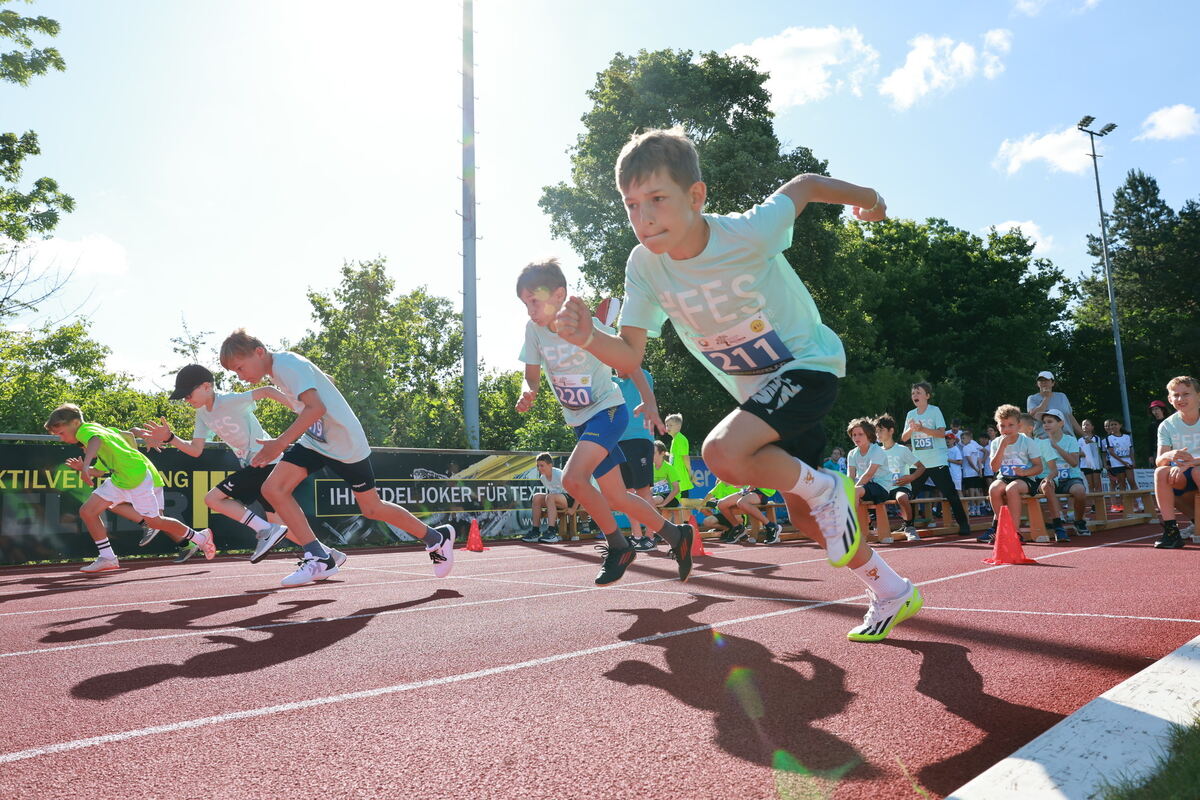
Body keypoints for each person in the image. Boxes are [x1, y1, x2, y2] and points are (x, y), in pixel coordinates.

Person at [552, 127, 921, 642]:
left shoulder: (747, 232)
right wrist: (591, 334)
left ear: (696, 196)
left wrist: (871, 201)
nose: (645, 217)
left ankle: (828, 487)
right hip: (761, 399)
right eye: (632, 205)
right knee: (806, 514)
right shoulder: (645, 266)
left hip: (809, 366)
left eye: (657, 199)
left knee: (722, 452)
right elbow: (630, 353)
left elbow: (806, 184)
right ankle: (891, 589)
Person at [219, 329, 455, 587]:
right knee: (273, 489)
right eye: (235, 373)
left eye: (240, 368)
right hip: (316, 442)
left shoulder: (286, 365)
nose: (241, 377)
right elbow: (315, 392)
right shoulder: (279, 370)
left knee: (372, 508)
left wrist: (279, 443)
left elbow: (316, 407)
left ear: (259, 352)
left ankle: (436, 537)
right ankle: (319, 557)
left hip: (345, 445)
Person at [515, 258, 690, 585]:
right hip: (580, 421)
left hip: (608, 411)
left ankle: (619, 546)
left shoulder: (586, 325)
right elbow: (531, 377)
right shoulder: (534, 331)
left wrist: (650, 403)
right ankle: (677, 535)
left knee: (572, 480)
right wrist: (528, 392)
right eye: (525, 303)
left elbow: (629, 360)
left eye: (534, 301)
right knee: (617, 498)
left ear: (558, 295)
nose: (530, 310)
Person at [134, 364, 345, 567]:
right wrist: (171, 437)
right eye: (184, 397)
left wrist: (301, 408)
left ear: (207, 386)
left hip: (266, 460)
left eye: (189, 394)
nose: (187, 399)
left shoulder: (229, 401)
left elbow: (267, 390)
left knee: (213, 498)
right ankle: (328, 554)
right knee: (282, 525)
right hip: (257, 464)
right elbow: (196, 449)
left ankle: (265, 531)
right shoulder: (202, 414)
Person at [44, 404, 216, 572]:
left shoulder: (84, 431)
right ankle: (107, 558)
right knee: (87, 511)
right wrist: (138, 437)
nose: (61, 438)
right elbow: (126, 434)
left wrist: (85, 466)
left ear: (74, 423)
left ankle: (200, 538)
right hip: (120, 478)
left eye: (61, 433)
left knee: (155, 522)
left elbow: (95, 440)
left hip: (137, 477)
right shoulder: (98, 428)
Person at [903, 382, 972, 536]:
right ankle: (908, 525)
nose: (915, 395)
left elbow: (942, 433)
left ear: (927, 396)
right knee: (909, 495)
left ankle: (963, 524)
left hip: (937, 460)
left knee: (950, 493)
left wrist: (923, 429)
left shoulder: (935, 411)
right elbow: (904, 437)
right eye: (913, 393)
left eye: (918, 392)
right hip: (919, 462)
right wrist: (911, 429)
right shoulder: (910, 414)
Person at [977, 404, 1044, 544]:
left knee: (1011, 488)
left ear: (1019, 425)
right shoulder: (996, 442)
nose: (1006, 429)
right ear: (997, 427)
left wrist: (1025, 472)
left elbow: (1039, 467)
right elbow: (994, 468)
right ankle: (1003, 528)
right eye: (1002, 426)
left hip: (1025, 479)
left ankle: (1015, 531)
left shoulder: (1027, 441)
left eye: (1010, 425)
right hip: (1004, 477)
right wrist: (1002, 446)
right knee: (994, 489)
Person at [1152, 376, 1200, 549]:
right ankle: (1172, 532)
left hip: (1195, 468)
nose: (1181, 399)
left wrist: (1192, 462)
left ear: (1198, 396)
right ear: (1170, 399)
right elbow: (1159, 461)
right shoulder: (1166, 425)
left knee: (1197, 472)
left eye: (1186, 394)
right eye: (1176, 395)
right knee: (1162, 473)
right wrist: (1170, 454)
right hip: (1183, 471)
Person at [615, 368, 661, 550]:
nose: (616, 368)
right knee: (626, 493)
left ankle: (651, 536)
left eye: (618, 363)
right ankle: (636, 536)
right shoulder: (612, 382)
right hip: (618, 441)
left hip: (640, 439)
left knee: (643, 491)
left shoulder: (642, 375)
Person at [1037, 409, 1090, 541]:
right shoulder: (1040, 442)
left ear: (1061, 423)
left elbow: (1073, 463)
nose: (1046, 425)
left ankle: (1078, 521)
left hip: (1070, 478)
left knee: (1080, 491)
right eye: (1044, 422)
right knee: (1040, 488)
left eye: (1050, 421)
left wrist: (1056, 447)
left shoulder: (1070, 440)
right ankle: (1052, 522)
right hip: (1051, 478)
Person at [873, 414, 924, 541]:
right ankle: (869, 528)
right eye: (876, 431)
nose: (878, 434)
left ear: (891, 431)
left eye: (881, 430)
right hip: (882, 487)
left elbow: (921, 467)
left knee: (902, 497)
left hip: (900, 487)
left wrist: (910, 478)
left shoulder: (902, 450)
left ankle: (909, 527)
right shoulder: (875, 451)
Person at [525, 453, 570, 543]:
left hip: (569, 499)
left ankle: (552, 532)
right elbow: (553, 493)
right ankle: (535, 531)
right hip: (555, 499)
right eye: (538, 466)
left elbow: (576, 491)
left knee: (550, 497)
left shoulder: (560, 474)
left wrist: (573, 508)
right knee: (536, 497)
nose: (539, 468)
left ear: (550, 465)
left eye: (542, 465)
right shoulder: (543, 477)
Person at [1026, 370, 1083, 438]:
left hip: (1067, 438)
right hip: (1045, 440)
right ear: (1037, 384)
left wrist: (1085, 436)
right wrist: (1046, 398)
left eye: (1047, 380)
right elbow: (1034, 416)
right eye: (1041, 380)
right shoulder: (1032, 398)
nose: (1044, 382)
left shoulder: (1062, 396)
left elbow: (1070, 418)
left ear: (1053, 383)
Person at [663, 412, 695, 500]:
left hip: (680, 478)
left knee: (684, 504)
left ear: (678, 426)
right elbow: (675, 456)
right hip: (675, 478)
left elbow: (685, 457)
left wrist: (689, 472)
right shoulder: (675, 439)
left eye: (670, 425)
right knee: (678, 505)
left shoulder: (680, 439)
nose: (668, 427)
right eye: (667, 425)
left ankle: (707, 504)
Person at [959, 429, 988, 516]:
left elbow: (969, 461)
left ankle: (973, 508)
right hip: (975, 472)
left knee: (972, 491)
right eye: (961, 439)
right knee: (975, 490)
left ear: (969, 439)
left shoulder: (966, 447)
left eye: (963, 438)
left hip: (969, 473)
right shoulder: (974, 445)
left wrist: (977, 470)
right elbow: (979, 460)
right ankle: (977, 509)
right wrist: (979, 470)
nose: (962, 440)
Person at [1103, 418, 1136, 495]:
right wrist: (1123, 462)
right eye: (1111, 425)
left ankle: (1139, 501)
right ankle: (1126, 503)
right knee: (1122, 483)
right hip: (1116, 463)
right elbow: (1111, 452)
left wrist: (1133, 461)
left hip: (1127, 461)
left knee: (1131, 481)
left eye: (1115, 424)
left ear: (1120, 425)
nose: (1113, 426)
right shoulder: (1109, 438)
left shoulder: (1127, 437)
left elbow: (1130, 450)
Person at [1079, 418, 1104, 496]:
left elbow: (1098, 451)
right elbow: (1078, 453)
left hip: (1096, 465)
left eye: (1087, 424)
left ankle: (1099, 504)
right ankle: (1093, 505)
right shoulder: (1079, 440)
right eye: (1083, 425)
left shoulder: (1096, 438)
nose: (1085, 426)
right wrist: (1083, 454)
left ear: (1092, 427)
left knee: (1097, 484)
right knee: (1090, 485)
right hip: (1085, 465)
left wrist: (1091, 443)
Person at [1148, 399, 1170, 468]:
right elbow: (1150, 441)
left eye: (1157, 409)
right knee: (1160, 471)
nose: (1155, 411)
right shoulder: (1152, 425)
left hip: (1170, 450)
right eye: (1153, 410)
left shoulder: (1169, 422)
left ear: (1162, 410)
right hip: (1156, 452)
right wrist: (1150, 456)